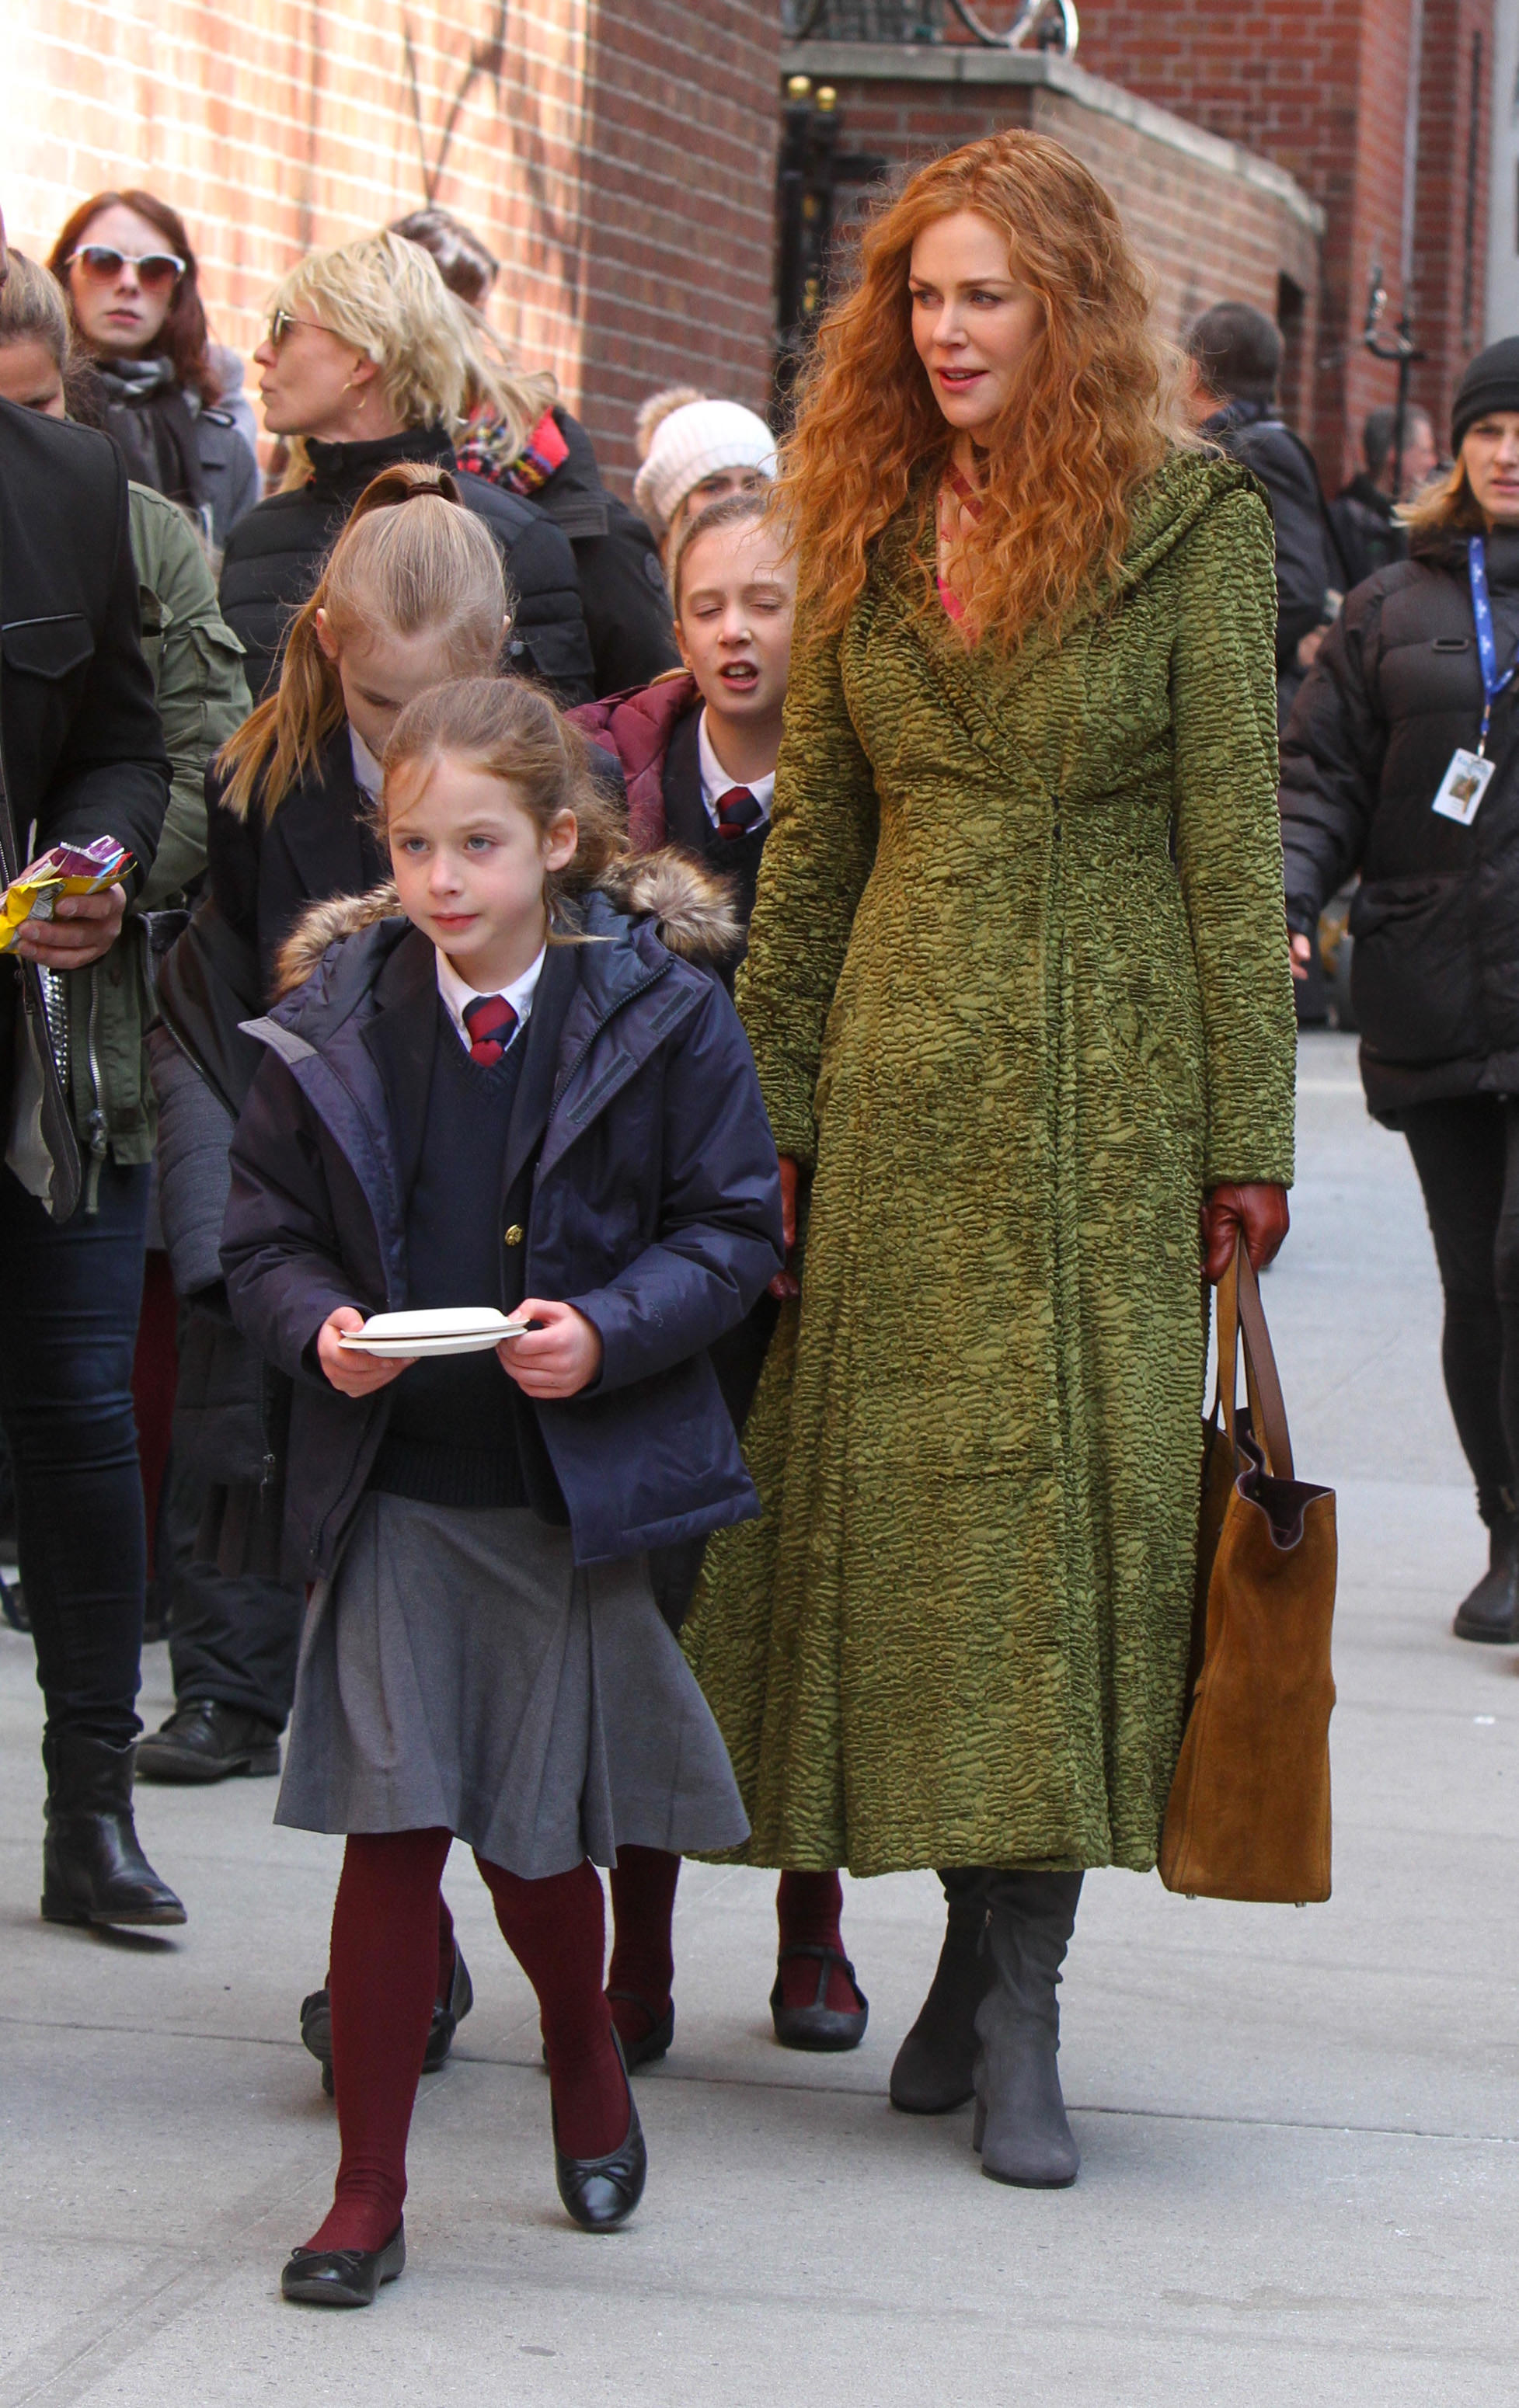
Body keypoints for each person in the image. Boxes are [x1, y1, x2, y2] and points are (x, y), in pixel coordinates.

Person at [680, 130, 1298, 2189]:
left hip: (1111, 1090)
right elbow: (819, 850)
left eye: (985, 295)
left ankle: (1021, 1986)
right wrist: (762, 1117)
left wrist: (1245, 1129)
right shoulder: (858, 522)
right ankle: (957, 1950)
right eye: (922, 295)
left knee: (1078, 1544)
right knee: (928, 1548)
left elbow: (1230, 828)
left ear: (1066, 308)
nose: (946, 330)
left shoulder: (1189, 524)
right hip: (898, 1096)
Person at [220, 674, 782, 2303]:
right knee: (390, 1840)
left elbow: (732, 1232)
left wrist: (604, 1332)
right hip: (393, 1484)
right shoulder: (334, 1018)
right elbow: (261, 1235)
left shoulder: (660, 1012)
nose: (441, 878)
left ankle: (582, 2056)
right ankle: (365, 2192)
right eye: (411, 844)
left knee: (539, 1853)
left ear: (555, 842)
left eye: (475, 842)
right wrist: (312, 1329)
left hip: (561, 1492)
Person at [139, 461, 510, 1808]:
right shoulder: (268, 777)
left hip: (453, 1140)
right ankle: (231, 1685)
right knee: (244, 1379)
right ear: (329, 644)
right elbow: (227, 973)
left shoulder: (528, 791)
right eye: (379, 711)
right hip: (271, 1103)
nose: (406, 742)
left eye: (436, 714)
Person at [572, 492, 868, 2057]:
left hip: (827, 1227)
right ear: (674, 623)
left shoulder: (859, 766)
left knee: (802, 1571)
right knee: (659, 1587)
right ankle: (638, 1944)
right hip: (655, 1240)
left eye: (768, 600)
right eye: (709, 605)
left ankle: (808, 1920)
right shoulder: (611, 775)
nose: (739, 630)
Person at [1280, 337, 1519, 1646]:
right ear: (1457, 452)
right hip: (1431, 981)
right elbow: (1324, 782)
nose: (1508, 451)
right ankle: (1506, 1532)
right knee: (1475, 1284)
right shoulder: (1388, 608)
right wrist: (1287, 901)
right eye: (1490, 430)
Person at [0, 204, 179, 1928]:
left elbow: (127, 745)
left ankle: (94, 1809)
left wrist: (99, 869)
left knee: (73, 1418)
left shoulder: (67, 489)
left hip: (40, 1071)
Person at [218, 231, 593, 706]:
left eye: (284, 328)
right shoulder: (255, 538)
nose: (262, 353)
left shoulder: (515, 539)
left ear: (361, 359)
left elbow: (552, 755)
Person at [391, 205, 679, 696]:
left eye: (479, 317)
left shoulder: (548, 479)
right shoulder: (341, 462)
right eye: (467, 316)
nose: (474, 342)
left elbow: (649, 696)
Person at [47, 190, 260, 552]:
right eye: (103, 261)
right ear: (66, 276)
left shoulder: (224, 446)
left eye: (155, 269)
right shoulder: (31, 412)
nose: (129, 283)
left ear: (178, 291)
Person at [1183, 300, 1348, 729]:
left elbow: (1297, 589)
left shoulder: (1256, 450)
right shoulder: (1231, 447)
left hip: (1248, 717)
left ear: (1193, 372)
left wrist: (1209, 665)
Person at [632, 387, 777, 561]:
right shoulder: (634, 582)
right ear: (677, 509)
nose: (738, 501)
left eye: (753, 486)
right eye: (714, 488)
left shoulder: (802, 580)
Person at [1329, 402, 1440, 590]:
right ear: (1394, 455)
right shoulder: (1345, 520)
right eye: (1426, 451)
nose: (1433, 462)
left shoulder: (1424, 522)